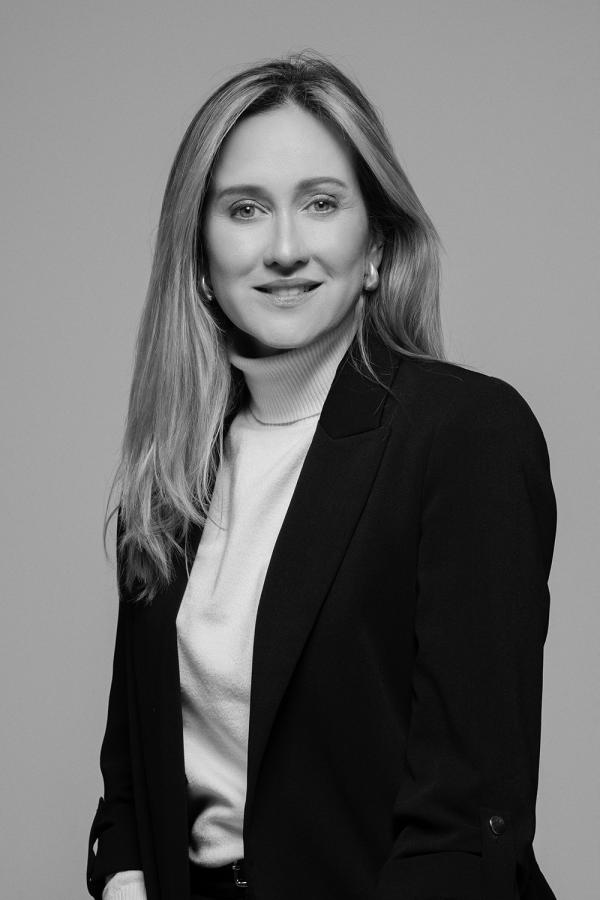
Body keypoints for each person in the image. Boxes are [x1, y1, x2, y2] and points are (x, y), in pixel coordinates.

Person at [86, 50, 557, 900]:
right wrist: (123, 881)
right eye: (245, 209)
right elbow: (132, 780)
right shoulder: (171, 477)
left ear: (374, 246)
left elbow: (465, 815)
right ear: (199, 258)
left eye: (321, 203)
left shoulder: (465, 435)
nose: (284, 248)